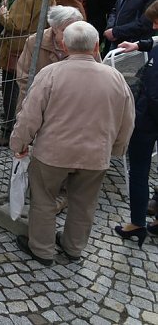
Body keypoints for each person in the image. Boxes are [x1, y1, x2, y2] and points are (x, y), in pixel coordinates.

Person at [10, 22, 134, 266]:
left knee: (44, 199)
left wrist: (19, 143)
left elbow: (29, 115)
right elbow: (127, 120)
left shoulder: (51, 74)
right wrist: (117, 150)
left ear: (64, 45)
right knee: (84, 203)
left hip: (52, 153)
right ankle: (73, 247)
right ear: (97, 45)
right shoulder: (116, 77)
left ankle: (42, 250)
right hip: (95, 156)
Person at [0, 0, 54, 146]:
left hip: (18, 48)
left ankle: (8, 130)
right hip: (33, 46)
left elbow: (16, 24)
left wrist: (3, 13)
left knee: (12, 90)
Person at [115, 1, 158, 246]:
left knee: (139, 172)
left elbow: (153, 93)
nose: (153, 27)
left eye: (155, 22)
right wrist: (139, 44)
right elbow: (155, 40)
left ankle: (137, 223)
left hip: (147, 120)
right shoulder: (155, 43)